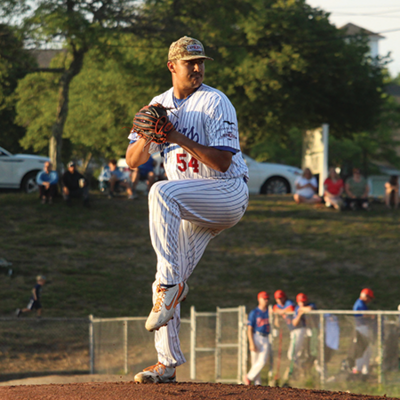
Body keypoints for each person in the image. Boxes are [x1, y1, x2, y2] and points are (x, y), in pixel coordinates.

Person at [125, 36, 249, 384]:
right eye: (189, 62)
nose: (197, 67)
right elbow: (132, 160)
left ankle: (171, 285)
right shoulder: (157, 104)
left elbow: (223, 162)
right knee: (162, 282)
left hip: (225, 193)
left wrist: (177, 136)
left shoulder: (215, 101)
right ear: (172, 67)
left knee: (161, 192)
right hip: (190, 206)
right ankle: (166, 363)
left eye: (201, 61)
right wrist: (150, 136)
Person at [244, 291, 272, 386]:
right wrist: (251, 343)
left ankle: (248, 377)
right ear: (259, 299)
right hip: (256, 336)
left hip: (266, 337)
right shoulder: (254, 312)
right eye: (264, 298)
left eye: (267, 298)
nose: (266, 300)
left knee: (262, 361)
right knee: (255, 362)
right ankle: (257, 384)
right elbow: (249, 329)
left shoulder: (270, 312)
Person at [347, 288, 375, 376]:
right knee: (362, 350)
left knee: (367, 350)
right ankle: (358, 370)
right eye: (369, 298)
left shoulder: (361, 303)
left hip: (363, 328)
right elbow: (364, 315)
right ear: (366, 296)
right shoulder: (360, 303)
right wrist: (373, 315)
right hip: (361, 328)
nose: (370, 300)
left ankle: (365, 370)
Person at [289, 293, 316, 375]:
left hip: (311, 332)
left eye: (304, 301)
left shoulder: (311, 305)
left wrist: (302, 309)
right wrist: (300, 313)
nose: (302, 303)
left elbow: (310, 309)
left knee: (308, 353)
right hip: (300, 331)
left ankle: (304, 370)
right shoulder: (297, 308)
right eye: (301, 302)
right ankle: (299, 369)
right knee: (292, 355)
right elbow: (294, 323)